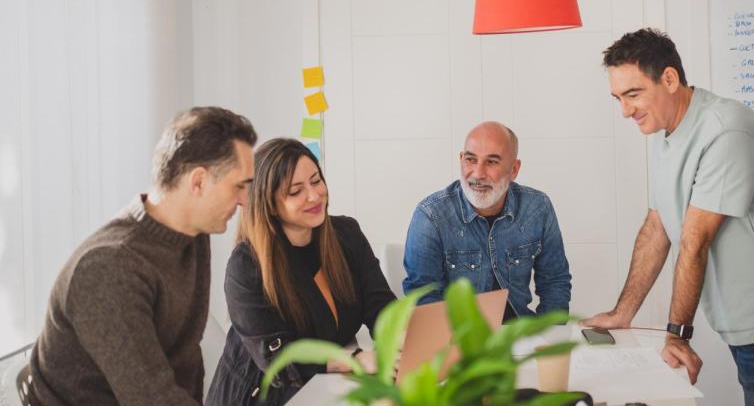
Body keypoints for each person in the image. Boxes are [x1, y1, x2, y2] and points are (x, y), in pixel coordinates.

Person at [584, 28, 754, 406]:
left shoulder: (728, 131)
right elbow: (657, 227)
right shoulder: (665, 131)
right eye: (618, 98)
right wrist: (621, 312)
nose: (625, 111)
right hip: (737, 317)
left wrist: (677, 335)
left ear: (670, 79)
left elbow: (694, 242)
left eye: (633, 95)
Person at [23, 107, 258, 405]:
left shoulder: (192, 237)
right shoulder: (109, 268)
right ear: (197, 182)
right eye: (239, 186)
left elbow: (185, 362)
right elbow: (151, 398)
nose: (244, 201)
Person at [207, 138, 396, 405]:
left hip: (324, 389)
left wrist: (399, 341)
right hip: (261, 395)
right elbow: (281, 359)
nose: (314, 195)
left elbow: (380, 305)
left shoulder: (346, 235)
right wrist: (352, 361)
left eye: (316, 181)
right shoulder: (246, 266)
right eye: (295, 191)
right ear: (269, 203)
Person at [403, 121, 571, 320]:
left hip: (519, 336)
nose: (478, 174)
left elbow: (554, 282)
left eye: (492, 162)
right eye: (470, 159)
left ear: (514, 169)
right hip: (458, 340)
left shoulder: (538, 208)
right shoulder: (431, 216)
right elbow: (423, 298)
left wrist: (549, 338)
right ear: (461, 159)